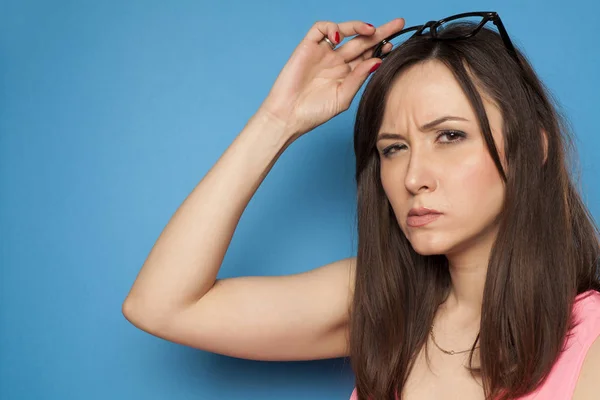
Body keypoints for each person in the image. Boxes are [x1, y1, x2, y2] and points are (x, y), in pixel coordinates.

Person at [122, 12, 600, 400]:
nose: (413, 178)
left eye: (449, 136)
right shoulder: (382, 305)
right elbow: (161, 306)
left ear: (533, 150)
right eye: (393, 148)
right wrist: (278, 120)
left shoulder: (590, 337)